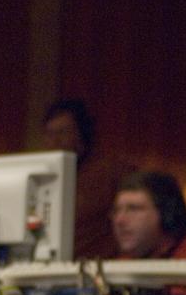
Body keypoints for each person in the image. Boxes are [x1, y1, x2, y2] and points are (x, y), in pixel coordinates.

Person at [41, 98, 128, 259]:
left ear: (82, 135)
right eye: (49, 134)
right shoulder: (42, 179)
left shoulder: (110, 172)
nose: (54, 141)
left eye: (63, 133)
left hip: (96, 269)